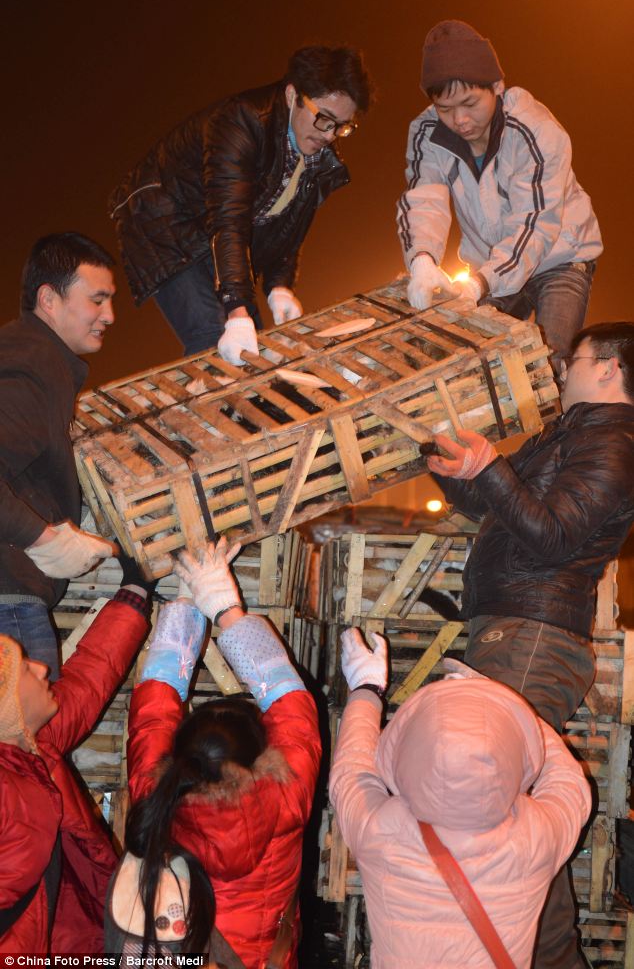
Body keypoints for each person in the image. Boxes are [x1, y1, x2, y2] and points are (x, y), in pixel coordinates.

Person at [426, 320, 634, 968]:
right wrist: (448, 462)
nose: (557, 366)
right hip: (515, 633)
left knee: (505, 827)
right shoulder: (575, 432)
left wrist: (492, 469)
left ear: (608, 367)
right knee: (506, 823)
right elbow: (498, 505)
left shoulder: (618, 442)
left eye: (571, 357)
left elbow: (553, 536)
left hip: (534, 640)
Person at [110, 539, 321, 967]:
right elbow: (292, 706)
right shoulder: (284, 796)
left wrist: (201, 604)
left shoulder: (160, 793)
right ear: (260, 757)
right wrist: (216, 602)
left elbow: (154, 714)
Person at [329, 629, 591, 968]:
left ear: (409, 750)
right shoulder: (535, 838)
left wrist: (366, 689)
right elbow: (569, 783)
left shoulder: (380, 831)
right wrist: (504, 709)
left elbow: (352, 771)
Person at [109, 45, 372, 362]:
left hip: (214, 233)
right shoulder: (240, 122)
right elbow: (229, 219)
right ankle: (207, 405)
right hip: (164, 219)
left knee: (255, 345)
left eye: (342, 126)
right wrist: (236, 308)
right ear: (292, 95)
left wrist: (280, 285)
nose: (330, 135)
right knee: (213, 335)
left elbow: (287, 227)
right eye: (324, 119)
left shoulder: (315, 160)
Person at [397, 19, 602, 368]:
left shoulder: (534, 130)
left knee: (549, 363)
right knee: (468, 357)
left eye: (470, 103)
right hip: (490, 265)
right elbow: (423, 199)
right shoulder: (426, 133)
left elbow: (535, 224)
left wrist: (480, 284)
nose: (460, 119)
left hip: (559, 258)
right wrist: (422, 260)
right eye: (445, 109)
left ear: (496, 85)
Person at [0, 571, 153, 954]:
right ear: (7, 707)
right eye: (25, 669)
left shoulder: (33, 745)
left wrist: (136, 591)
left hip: (68, 934)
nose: (43, 668)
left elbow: (89, 680)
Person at [0, 233, 119, 679]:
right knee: (25, 749)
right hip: (7, 607)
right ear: (49, 299)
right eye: (97, 300)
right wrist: (45, 539)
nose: (109, 316)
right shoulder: (32, 365)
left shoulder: (29, 357)